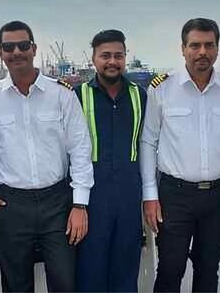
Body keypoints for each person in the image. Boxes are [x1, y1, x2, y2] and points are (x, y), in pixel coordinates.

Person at [0, 20, 93, 293]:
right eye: (9, 47)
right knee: (16, 285)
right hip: (10, 204)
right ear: (0, 52)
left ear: (34, 48)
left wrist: (80, 205)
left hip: (58, 203)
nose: (17, 52)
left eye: (23, 45)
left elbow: (80, 149)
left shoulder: (61, 94)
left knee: (65, 282)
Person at [140, 18, 220, 293]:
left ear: (218, 49)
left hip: (217, 196)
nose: (202, 52)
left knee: (208, 268)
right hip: (175, 195)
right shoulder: (162, 88)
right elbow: (148, 141)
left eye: (209, 45)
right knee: (171, 268)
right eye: (195, 45)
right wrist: (150, 195)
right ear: (183, 49)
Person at [74, 29, 147, 292]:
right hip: (91, 199)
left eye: (118, 55)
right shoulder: (76, 95)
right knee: (90, 272)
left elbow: (147, 146)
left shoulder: (141, 95)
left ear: (125, 58)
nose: (112, 61)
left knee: (127, 272)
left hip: (129, 198)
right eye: (105, 55)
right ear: (93, 59)